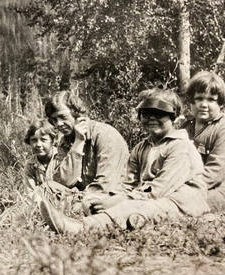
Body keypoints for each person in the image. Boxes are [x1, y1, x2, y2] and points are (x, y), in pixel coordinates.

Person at [39, 88, 209, 233]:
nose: (151, 118)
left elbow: (159, 189)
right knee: (101, 203)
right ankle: (114, 218)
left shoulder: (180, 147)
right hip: (148, 197)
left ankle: (80, 228)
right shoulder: (142, 147)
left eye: (160, 114)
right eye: (146, 114)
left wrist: (120, 200)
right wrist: (112, 198)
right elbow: (128, 183)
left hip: (180, 202)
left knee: (134, 207)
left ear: (175, 119)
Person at [44, 91, 130, 213]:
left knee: (86, 204)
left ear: (77, 114)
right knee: (46, 189)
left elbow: (106, 184)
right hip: (82, 197)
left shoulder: (104, 135)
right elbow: (63, 182)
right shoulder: (66, 141)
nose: (58, 124)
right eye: (54, 120)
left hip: (110, 197)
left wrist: (76, 200)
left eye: (63, 117)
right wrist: (78, 142)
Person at [181, 71, 225, 212]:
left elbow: (213, 174)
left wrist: (180, 190)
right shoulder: (186, 128)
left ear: (220, 104)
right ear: (191, 101)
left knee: (182, 204)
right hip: (194, 185)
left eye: (211, 100)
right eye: (199, 98)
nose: (204, 105)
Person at [22, 119, 74, 208]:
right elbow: (30, 194)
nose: (38, 144)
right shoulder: (30, 165)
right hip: (43, 205)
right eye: (34, 140)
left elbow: (69, 185)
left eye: (43, 140)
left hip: (67, 201)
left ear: (52, 141)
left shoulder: (62, 158)